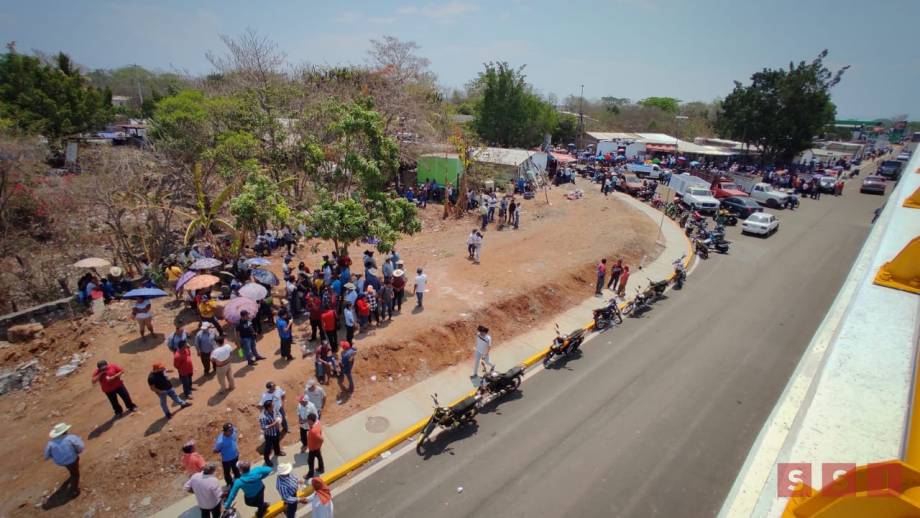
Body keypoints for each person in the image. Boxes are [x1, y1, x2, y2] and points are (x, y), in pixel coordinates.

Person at [44, 423, 84, 496]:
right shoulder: (71, 438)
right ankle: (74, 490)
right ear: (65, 431)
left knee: (70, 467)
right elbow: (80, 446)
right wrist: (78, 451)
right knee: (75, 474)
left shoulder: (50, 443)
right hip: (72, 459)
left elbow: (46, 455)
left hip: (61, 462)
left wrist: (55, 455)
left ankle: (71, 473)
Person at [259, 400, 285, 466]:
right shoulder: (263, 416)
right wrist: (273, 424)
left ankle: (277, 452)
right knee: (268, 447)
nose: (274, 405)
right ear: (268, 408)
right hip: (269, 435)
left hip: (276, 431)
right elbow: (263, 427)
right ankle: (267, 459)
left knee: (276, 443)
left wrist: (279, 419)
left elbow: (279, 415)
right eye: (272, 405)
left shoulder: (274, 410)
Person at [305, 413, 325, 479]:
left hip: (313, 449)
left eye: (308, 420)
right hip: (316, 448)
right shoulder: (318, 423)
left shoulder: (313, 431)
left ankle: (310, 474)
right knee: (319, 457)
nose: (307, 421)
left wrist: (318, 446)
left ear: (311, 421)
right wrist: (319, 446)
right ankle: (321, 469)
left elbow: (321, 439)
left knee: (310, 461)